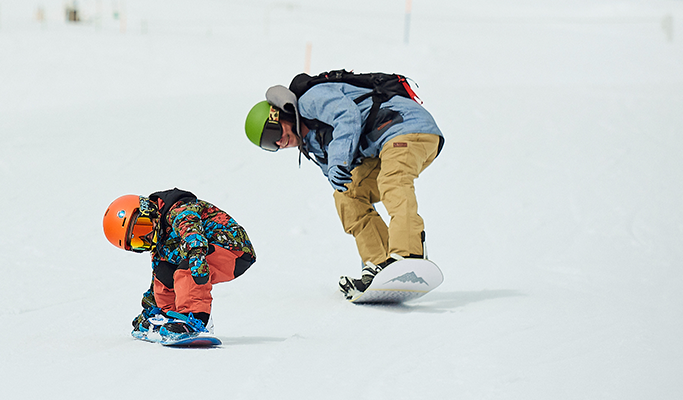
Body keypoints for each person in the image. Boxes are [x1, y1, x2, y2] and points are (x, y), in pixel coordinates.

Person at [242, 70, 443, 300]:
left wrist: (339, 160)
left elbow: (347, 116)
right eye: (270, 145)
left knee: (393, 180)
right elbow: (344, 180)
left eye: (272, 132)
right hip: (384, 144)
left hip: (406, 126)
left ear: (279, 116)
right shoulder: (313, 145)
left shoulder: (310, 100)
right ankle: (380, 264)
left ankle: (409, 253)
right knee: (346, 194)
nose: (279, 142)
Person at [102, 188, 256, 342]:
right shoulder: (159, 241)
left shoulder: (179, 210)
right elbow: (157, 277)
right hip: (201, 253)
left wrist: (196, 253)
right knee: (163, 271)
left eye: (143, 227)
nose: (148, 237)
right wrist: (149, 308)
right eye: (139, 241)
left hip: (233, 250)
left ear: (149, 210)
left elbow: (191, 229)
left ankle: (196, 320)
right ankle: (169, 317)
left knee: (187, 267)